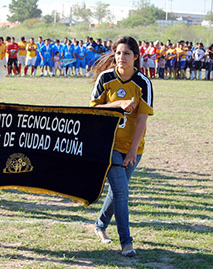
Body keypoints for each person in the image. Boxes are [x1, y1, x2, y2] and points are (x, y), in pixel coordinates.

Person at [90, 36, 154, 257]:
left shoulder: (143, 83)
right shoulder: (105, 78)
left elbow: (143, 121)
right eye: (118, 53)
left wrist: (132, 151)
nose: (121, 57)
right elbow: (93, 111)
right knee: (122, 192)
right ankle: (126, 242)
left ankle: (99, 225)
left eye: (126, 53)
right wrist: (118, 104)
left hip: (133, 146)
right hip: (108, 146)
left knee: (118, 191)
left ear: (136, 57)